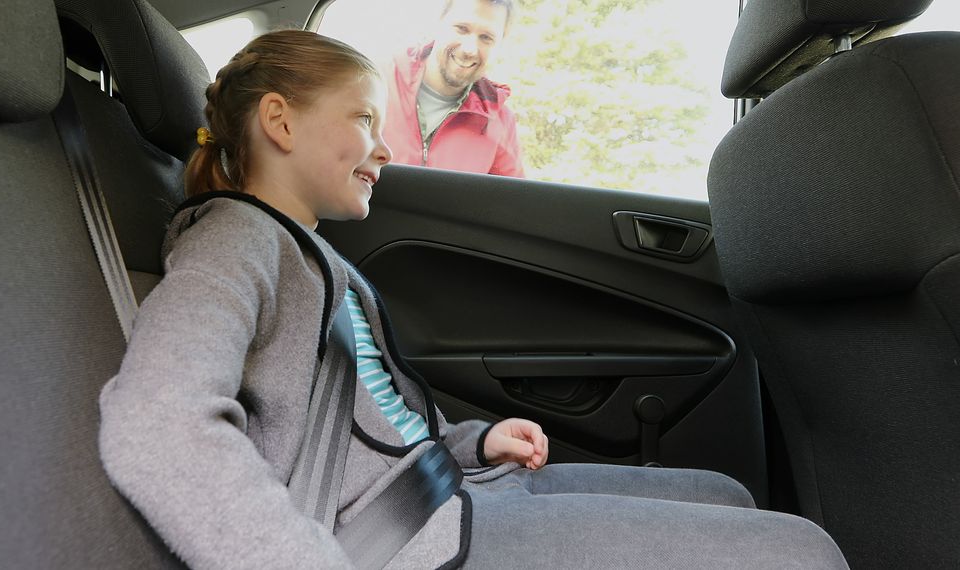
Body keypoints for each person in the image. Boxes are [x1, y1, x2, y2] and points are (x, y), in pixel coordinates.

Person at [98, 30, 848, 569]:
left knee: (726, 493)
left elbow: (375, 422)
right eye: (364, 119)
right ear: (279, 119)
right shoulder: (234, 240)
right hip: (396, 541)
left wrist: (472, 444)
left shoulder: (314, 256)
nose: (385, 149)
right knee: (804, 552)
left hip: (444, 490)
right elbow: (159, 423)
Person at [382, 0, 524, 177]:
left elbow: (510, 201)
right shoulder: (377, 82)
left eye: (486, 38)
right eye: (462, 28)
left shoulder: (500, 121)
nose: (470, 49)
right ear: (437, 24)